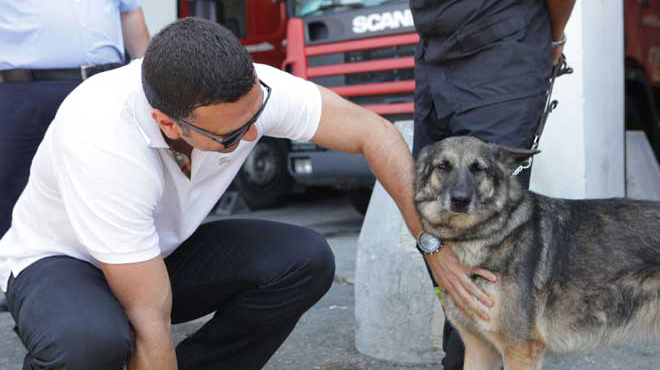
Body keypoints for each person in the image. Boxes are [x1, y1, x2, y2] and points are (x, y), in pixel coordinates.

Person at [0, 17, 424, 370]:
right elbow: (150, 320)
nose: (254, 134)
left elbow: (373, 132)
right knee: (90, 342)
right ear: (168, 123)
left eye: (257, 114)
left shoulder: (243, 94)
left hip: (156, 254)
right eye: (233, 134)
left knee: (304, 259)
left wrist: (433, 245)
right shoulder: (102, 136)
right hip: (61, 263)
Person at [409, 1, 576, 369]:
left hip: (501, 55)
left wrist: (553, 38)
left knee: (488, 253)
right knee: (435, 225)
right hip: (433, 55)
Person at [0, 0, 150, 239]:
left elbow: (129, 13)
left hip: (104, 86)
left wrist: (150, 80)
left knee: (108, 186)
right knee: (14, 195)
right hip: (27, 92)